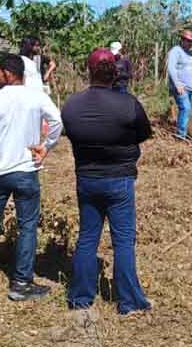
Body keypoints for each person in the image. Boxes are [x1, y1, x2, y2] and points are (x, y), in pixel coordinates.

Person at [0, 54, 63, 301]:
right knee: (27, 226)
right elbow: (57, 121)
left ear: (8, 73)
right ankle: (21, 283)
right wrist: (46, 147)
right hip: (26, 170)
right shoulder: (36, 97)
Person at [63, 48, 153, 315]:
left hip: (87, 179)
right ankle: (128, 301)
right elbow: (144, 134)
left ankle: (80, 298)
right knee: (123, 240)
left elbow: (71, 133)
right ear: (115, 72)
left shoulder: (71, 105)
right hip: (119, 179)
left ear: (88, 71)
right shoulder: (128, 104)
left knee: (87, 237)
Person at [167, 30, 192, 140]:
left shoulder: (190, 53)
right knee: (185, 108)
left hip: (191, 87)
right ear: (182, 40)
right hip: (181, 87)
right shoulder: (176, 51)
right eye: (189, 41)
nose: (191, 43)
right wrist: (177, 84)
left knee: (187, 110)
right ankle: (180, 136)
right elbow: (171, 68)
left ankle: (183, 132)